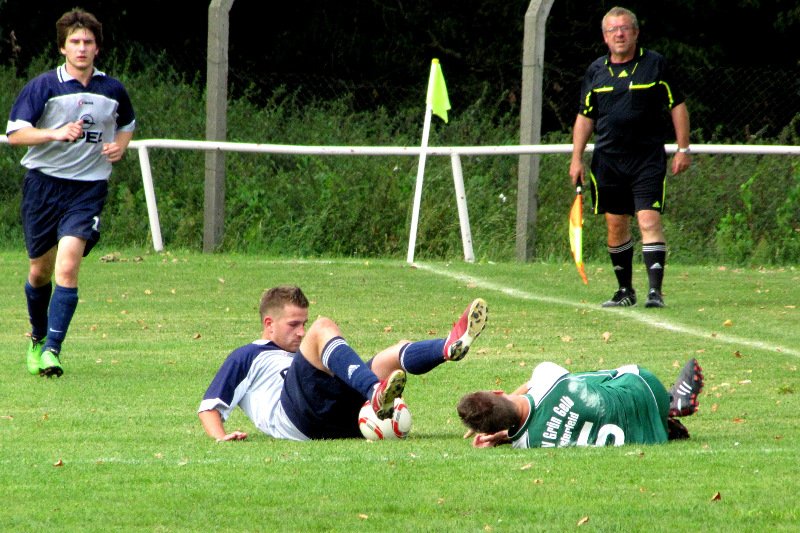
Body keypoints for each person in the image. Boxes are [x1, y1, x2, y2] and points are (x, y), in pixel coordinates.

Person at [6, 8, 136, 377]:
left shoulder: (112, 90)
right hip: (43, 187)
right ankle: (37, 337)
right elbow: (16, 135)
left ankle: (52, 350)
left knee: (68, 265)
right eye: (75, 42)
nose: (82, 48)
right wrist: (54, 133)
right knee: (39, 272)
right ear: (63, 47)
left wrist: (121, 146)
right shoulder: (43, 87)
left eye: (88, 42)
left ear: (97, 48)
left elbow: (126, 123)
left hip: (87, 189)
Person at [198, 286, 488, 441]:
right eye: (293, 324)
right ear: (269, 324)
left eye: (303, 323)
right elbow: (210, 405)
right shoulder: (248, 355)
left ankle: (447, 347)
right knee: (323, 328)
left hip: (340, 420)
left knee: (393, 354)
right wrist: (220, 437)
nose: (300, 331)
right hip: (298, 415)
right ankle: (375, 392)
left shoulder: (304, 354)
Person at [568, 6, 691, 309]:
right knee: (616, 225)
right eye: (613, 30)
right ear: (605, 37)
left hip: (646, 158)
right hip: (608, 160)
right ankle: (625, 291)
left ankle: (655, 292)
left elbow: (677, 106)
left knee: (648, 219)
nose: (619, 34)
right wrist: (576, 158)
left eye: (625, 28)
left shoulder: (655, 65)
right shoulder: (596, 71)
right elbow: (585, 117)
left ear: (635, 32)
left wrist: (683, 148)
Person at [457, 358, 703, 448]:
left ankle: (663, 417)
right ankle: (670, 401)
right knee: (579, 383)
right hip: (645, 386)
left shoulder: (527, 444)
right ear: (498, 391)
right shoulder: (546, 377)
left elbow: (523, 426)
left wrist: (499, 434)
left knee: (579, 415)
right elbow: (529, 388)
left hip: (642, 435)